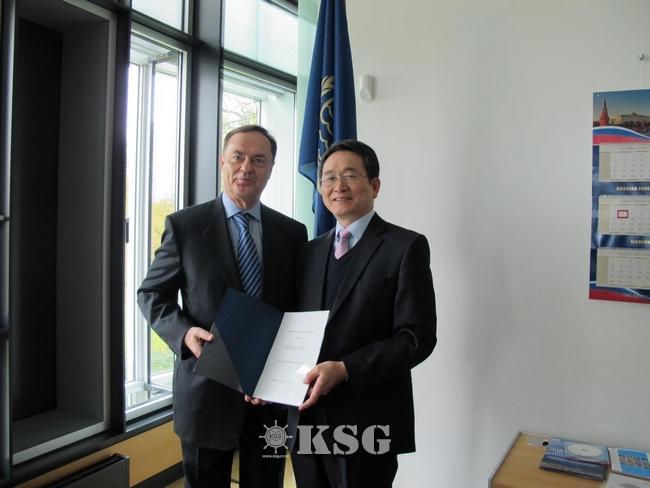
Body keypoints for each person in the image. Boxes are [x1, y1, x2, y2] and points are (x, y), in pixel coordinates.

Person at [137, 125, 307, 488]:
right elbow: (151, 294)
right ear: (222, 162)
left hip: (269, 394)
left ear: (270, 168)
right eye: (238, 157)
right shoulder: (185, 226)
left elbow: (296, 308)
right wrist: (184, 334)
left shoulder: (292, 233)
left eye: (258, 160)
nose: (246, 167)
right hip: (206, 392)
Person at [290, 139, 437, 488]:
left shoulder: (405, 247)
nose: (337, 186)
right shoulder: (309, 253)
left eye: (350, 175)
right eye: (329, 177)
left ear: (375, 185)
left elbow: (416, 338)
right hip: (307, 415)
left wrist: (345, 369)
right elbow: (295, 328)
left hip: (369, 419)